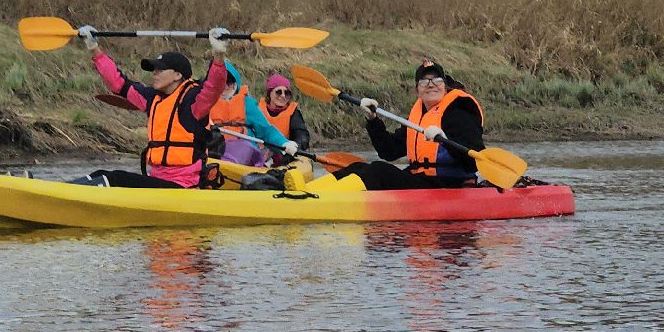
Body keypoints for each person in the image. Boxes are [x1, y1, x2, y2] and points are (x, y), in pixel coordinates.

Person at [72, 25, 230, 188]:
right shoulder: (152, 98)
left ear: (177, 75)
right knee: (100, 174)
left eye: (160, 70)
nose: (154, 73)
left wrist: (218, 54)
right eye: (154, 69)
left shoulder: (194, 100)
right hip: (159, 179)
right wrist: (94, 48)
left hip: (184, 184)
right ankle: (64, 190)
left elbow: (214, 86)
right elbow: (118, 84)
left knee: (115, 178)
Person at [329, 59, 485, 191]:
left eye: (437, 80)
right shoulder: (420, 114)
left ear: (445, 86)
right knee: (358, 167)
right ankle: (317, 194)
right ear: (417, 90)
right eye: (424, 81)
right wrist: (373, 120)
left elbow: (473, 163)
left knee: (378, 171)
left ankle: (327, 200)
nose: (431, 85)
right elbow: (389, 151)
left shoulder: (459, 111)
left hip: (449, 185)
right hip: (423, 182)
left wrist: (444, 140)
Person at [206, 61, 295, 168]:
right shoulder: (204, 103)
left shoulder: (247, 104)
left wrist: (284, 143)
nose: (225, 85)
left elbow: (266, 130)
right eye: (220, 81)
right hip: (214, 151)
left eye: (229, 82)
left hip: (244, 154)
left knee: (243, 148)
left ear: (235, 84)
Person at [260, 73, 311, 152]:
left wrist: (296, 145)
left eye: (286, 93)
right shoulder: (257, 109)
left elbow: (301, 135)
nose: (283, 96)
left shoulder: (293, 112)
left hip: (285, 153)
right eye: (278, 92)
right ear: (269, 93)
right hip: (259, 153)